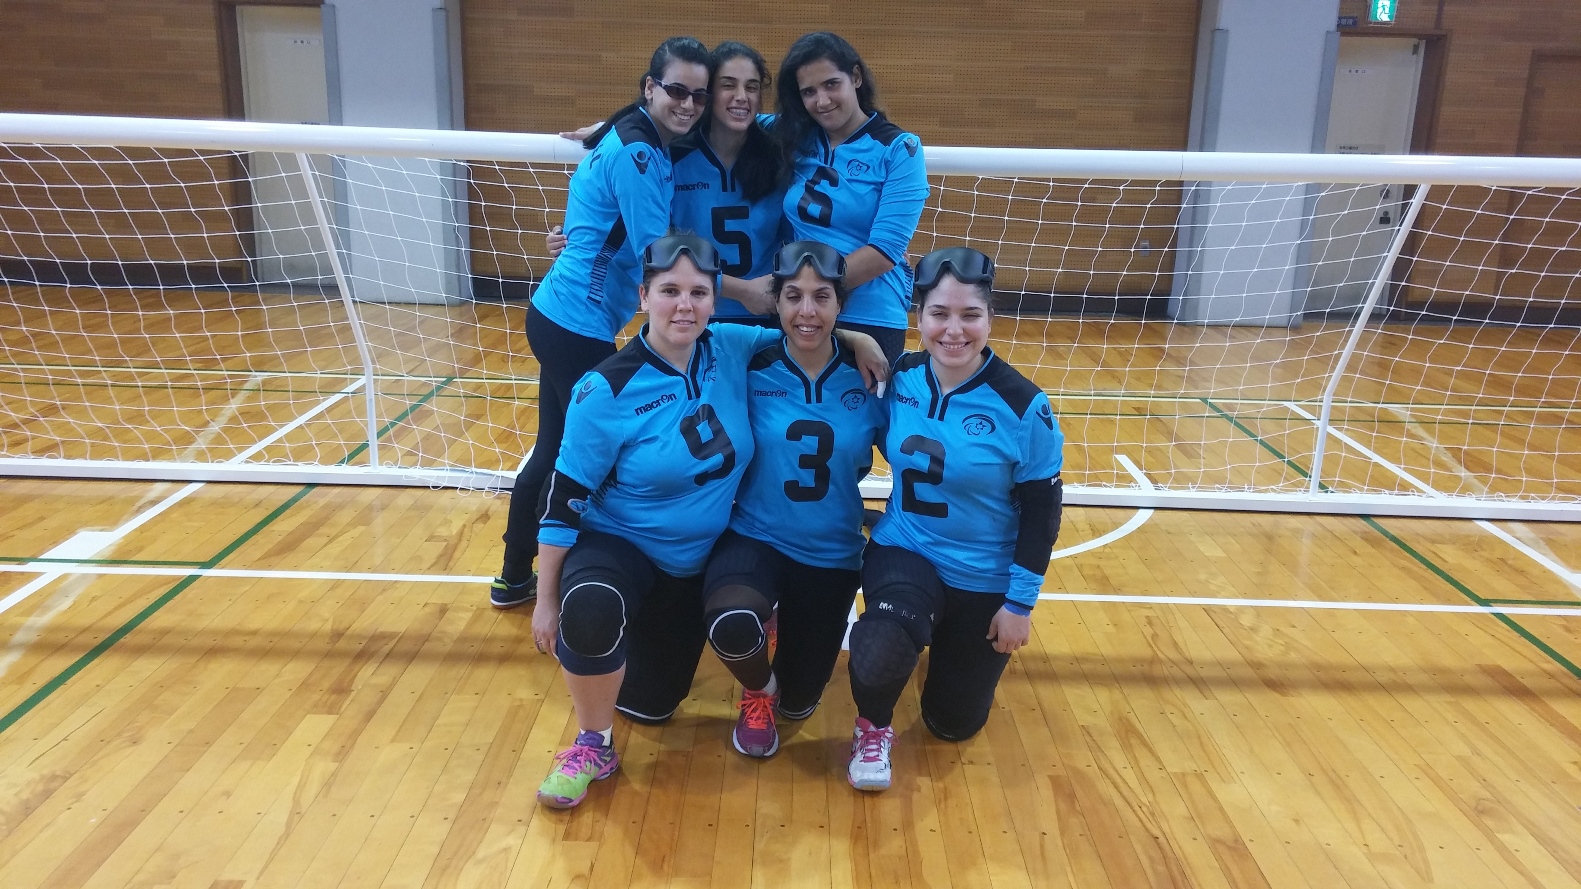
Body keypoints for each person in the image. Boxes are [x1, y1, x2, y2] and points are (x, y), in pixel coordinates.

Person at [529, 234, 886, 808]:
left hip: (697, 563)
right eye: (669, 291)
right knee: (592, 609)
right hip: (622, 543)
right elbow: (563, 500)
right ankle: (592, 743)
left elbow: (805, 328)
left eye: (699, 292)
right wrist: (547, 599)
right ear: (643, 296)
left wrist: (859, 336)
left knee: (657, 704)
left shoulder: (729, 346)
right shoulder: (605, 388)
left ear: (715, 300)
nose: (685, 306)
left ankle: (726, 634)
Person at [492, 37, 712, 610]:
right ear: (650, 88)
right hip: (574, 323)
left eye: (698, 95)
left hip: (562, 314)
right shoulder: (638, 152)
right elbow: (656, 254)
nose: (689, 104)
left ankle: (515, 573)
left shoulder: (641, 135)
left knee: (551, 452)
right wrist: (729, 290)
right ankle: (576, 580)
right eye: (676, 91)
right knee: (589, 457)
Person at [843, 246, 1065, 792]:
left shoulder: (1022, 406)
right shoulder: (899, 378)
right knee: (879, 649)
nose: (953, 330)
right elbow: (808, 332)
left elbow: (1043, 511)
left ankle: (946, 644)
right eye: (939, 313)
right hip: (907, 547)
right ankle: (872, 729)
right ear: (919, 316)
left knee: (951, 723)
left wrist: (1019, 605)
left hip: (983, 574)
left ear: (991, 319)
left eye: (970, 315)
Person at [702, 241, 885, 758]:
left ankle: (786, 659)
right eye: (794, 297)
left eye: (822, 298)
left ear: (839, 304)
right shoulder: (746, 358)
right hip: (755, 536)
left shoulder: (870, 380)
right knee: (732, 622)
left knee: (802, 702)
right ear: (776, 302)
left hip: (831, 552)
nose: (807, 312)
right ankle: (757, 691)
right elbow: (677, 318)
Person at [548, 41, 789, 323]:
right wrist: (572, 239)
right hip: (691, 315)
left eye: (752, 87)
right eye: (728, 85)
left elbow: (808, 121)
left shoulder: (780, 151)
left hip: (766, 312)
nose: (741, 96)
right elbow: (632, 221)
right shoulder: (670, 154)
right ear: (709, 94)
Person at [775, 32, 929, 365]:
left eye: (831, 84)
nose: (822, 101)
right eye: (809, 92)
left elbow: (885, 251)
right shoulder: (794, 137)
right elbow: (732, 118)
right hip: (805, 315)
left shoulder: (898, 149)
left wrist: (812, 296)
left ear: (855, 77)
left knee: (863, 417)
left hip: (870, 316)